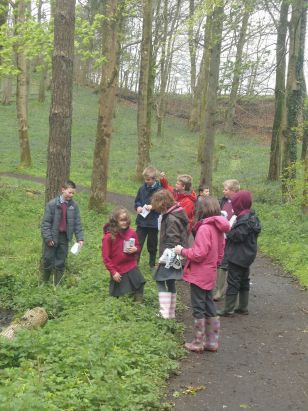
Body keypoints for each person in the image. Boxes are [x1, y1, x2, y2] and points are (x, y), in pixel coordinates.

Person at [175, 197, 230, 353]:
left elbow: (199, 253)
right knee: (209, 305)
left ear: (202, 210)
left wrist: (183, 251)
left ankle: (198, 342)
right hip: (211, 272)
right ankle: (212, 342)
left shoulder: (205, 228)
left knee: (198, 307)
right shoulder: (218, 227)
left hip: (199, 274)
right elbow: (220, 253)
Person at [217, 190, 261, 316]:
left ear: (240, 204)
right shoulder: (252, 216)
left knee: (233, 281)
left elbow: (238, 236)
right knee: (243, 280)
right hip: (247, 255)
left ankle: (228, 309)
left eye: (235, 203)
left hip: (238, 256)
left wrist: (228, 232)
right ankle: (242, 307)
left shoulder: (244, 220)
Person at [151, 189, 188, 319]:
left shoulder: (171, 218)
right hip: (175, 256)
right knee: (170, 281)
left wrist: (162, 259)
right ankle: (170, 312)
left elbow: (173, 241)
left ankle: (164, 312)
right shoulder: (175, 213)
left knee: (159, 279)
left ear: (162, 204)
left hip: (170, 256)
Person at [41, 180, 84, 285]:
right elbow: (45, 223)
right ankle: (44, 283)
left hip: (64, 237)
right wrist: (48, 238)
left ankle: (57, 284)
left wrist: (80, 239)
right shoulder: (52, 204)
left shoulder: (74, 206)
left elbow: (77, 223)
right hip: (52, 237)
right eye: (70, 192)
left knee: (61, 261)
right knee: (48, 259)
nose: (71, 195)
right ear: (63, 190)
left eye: (73, 193)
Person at [102, 207, 146, 300]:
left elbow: (138, 246)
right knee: (123, 294)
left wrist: (135, 249)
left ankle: (138, 304)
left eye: (126, 220)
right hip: (118, 268)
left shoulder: (132, 233)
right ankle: (121, 309)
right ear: (115, 221)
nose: (124, 222)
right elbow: (106, 257)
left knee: (139, 284)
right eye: (121, 220)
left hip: (131, 264)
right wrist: (113, 272)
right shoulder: (108, 237)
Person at [213, 179, 240, 301]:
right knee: (222, 262)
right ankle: (219, 290)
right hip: (222, 236)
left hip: (234, 237)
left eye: (226, 189)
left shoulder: (240, 202)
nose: (224, 191)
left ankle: (233, 288)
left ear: (234, 190)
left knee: (233, 263)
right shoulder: (223, 201)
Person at [134, 166, 161, 272]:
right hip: (141, 221)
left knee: (152, 243)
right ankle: (134, 264)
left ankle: (152, 264)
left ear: (154, 179)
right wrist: (138, 207)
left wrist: (153, 207)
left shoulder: (160, 190)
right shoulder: (142, 188)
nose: (146, 181)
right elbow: (137, 201)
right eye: (145, 179)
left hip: (153, 222)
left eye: (148, 180)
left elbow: (163, 204)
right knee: (138, 243)